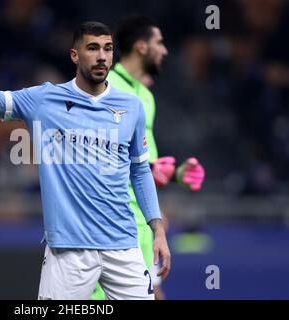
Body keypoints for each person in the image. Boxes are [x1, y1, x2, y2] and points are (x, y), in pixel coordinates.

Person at [0, 8, 170, 300]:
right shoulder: (44, 100)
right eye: (92, 48)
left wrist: (157, 229)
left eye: (107, 49)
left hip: (123, 246)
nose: (101, 57)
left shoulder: (131, 106)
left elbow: (140, 170)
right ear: (74, 55)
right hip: (68, 252)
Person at [91, 15, 205, 300]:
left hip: (140, 221)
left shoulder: (145, 95)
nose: (165, 50)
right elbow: (92, 153)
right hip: (107, 221)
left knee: (152, 292)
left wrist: (176, 173)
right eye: (159, 42)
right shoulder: (105, 88)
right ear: (141, 47)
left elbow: (145, 163)